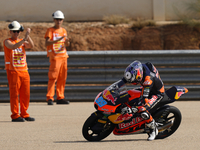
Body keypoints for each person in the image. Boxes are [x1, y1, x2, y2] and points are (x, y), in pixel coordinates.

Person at [103, 60, 164, 141]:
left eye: (134, 81)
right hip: (147, 88)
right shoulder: (136, 69)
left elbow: (144, 98)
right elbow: (122, 81)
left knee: (142, 109)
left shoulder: (147, 80)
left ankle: (153, 129)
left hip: (156, 93)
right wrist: (113, 89)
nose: (133, 83)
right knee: (128, 94)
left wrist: (133, 109)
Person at [3, 21, 35, 122]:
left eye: (18, 31)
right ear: (10, 32)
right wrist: (24, 39)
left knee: (25, 93)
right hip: (13, 71)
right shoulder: (7, 41)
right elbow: (13, 47)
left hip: (24, 71)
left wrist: (28, 36)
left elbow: (31, 46)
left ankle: (24, 113)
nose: (16, 33)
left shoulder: (22, 41)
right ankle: (15, 115)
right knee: (14, 94)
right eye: (14, 31)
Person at [44, 10, 70, 105]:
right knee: (53, 78)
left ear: (62, 20)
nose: (59, 21)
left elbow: (66, 44)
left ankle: (60, 97)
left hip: (63, 56)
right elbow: (47, 43)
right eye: (57, 19)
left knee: (62, 78)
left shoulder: (63, 30)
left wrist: (67, 42)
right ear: (54, 20)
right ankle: (50, 98)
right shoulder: (50, 30)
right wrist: (58, 39)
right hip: (55, 57)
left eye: (60, 19)